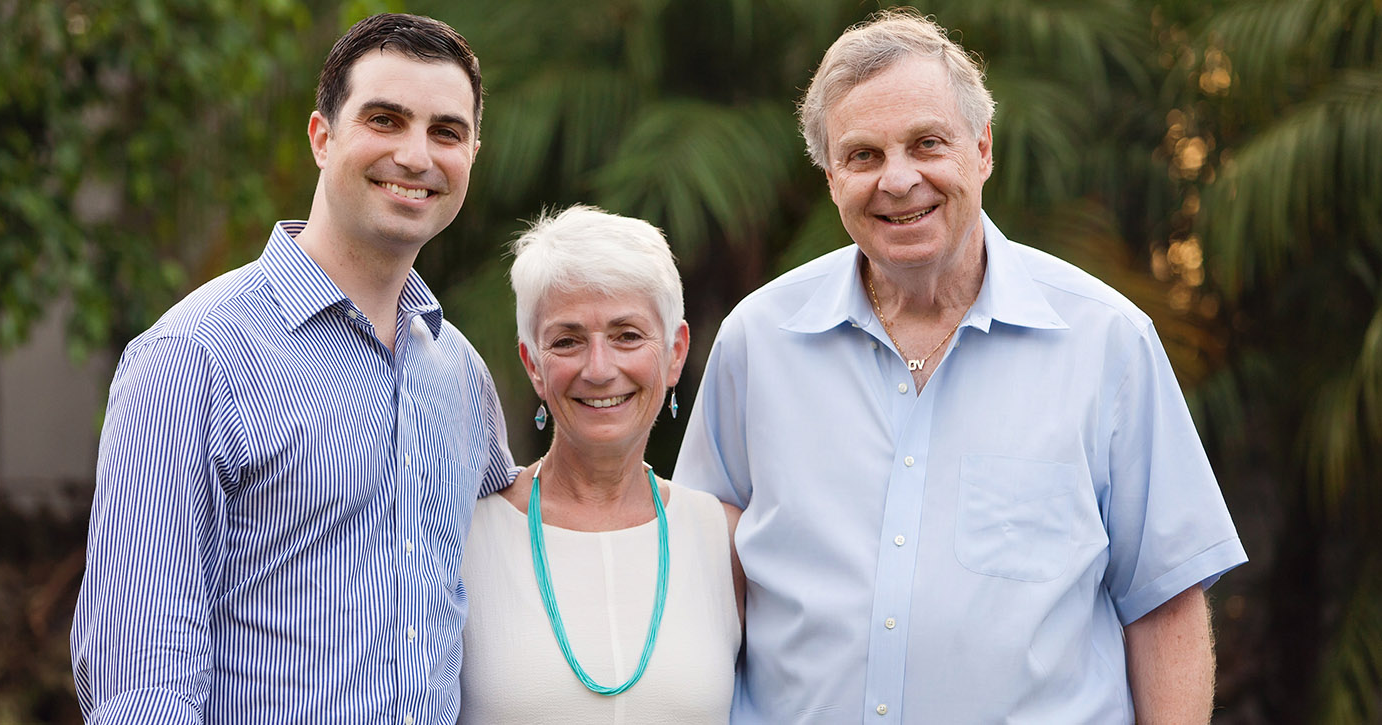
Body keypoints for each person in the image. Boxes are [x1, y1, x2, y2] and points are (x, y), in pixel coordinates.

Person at [675, 9, 1247, 723]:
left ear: (982, 149)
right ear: (830, 177)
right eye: (863, 155)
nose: (899, 179)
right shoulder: (757, 342)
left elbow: (1165, 605)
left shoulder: (1107, 344)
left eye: (927, 144)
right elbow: (700, 580)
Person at [70, 14, 513, 724]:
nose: (415, 154)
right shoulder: (193, 358)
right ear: (321, 136)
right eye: (385, 119)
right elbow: (140, 678)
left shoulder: (459, 372)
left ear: (471, 156)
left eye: (446, 132)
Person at [458, 205, 744, 723]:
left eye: (627, 335)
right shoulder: (462, 536)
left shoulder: (725, 542)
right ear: (533, 365)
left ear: (676, 352)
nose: (598, 368)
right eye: (567, 341)